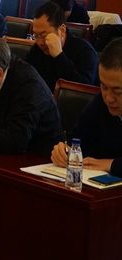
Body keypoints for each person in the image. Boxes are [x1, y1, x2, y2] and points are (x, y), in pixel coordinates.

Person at [50, 38, 122, 176]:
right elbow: (77, 138)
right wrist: (64, 149)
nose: (108, 98)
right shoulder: (100, 102)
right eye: (103, 87)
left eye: (117, 91)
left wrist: (113, 165)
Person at [25, 1, 98, 92]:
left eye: (44, 35)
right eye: (36, 35)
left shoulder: (85, 51)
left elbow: (82, 90)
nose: (39, 42)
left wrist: (59, 56)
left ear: (62, 30)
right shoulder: (38, 49)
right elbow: (25, 72)